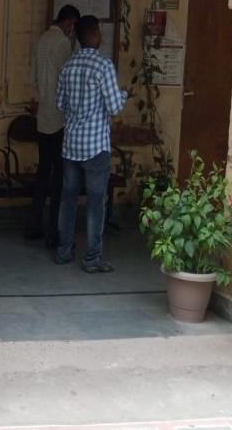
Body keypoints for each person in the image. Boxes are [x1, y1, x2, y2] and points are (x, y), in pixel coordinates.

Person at [55, 15, 130, 273]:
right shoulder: (104, 66)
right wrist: (125, 94)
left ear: (77, 37)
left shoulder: (68, 66)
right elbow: (114, 106)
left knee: (68, 198)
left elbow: (60, 104)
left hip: (71, 145)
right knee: (96, 202)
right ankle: (92, 257)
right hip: (96, 147)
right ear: (95, 34)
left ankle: (63, 251)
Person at [27, 4, 80, 249]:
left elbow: (33, 79)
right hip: (60, 119)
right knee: (59, 177)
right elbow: (70, 77)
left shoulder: (41, 41)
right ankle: (54, 232)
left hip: (43, 119)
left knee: (42, 174)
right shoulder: (62, 44)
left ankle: (33, 225)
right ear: (69, 22)